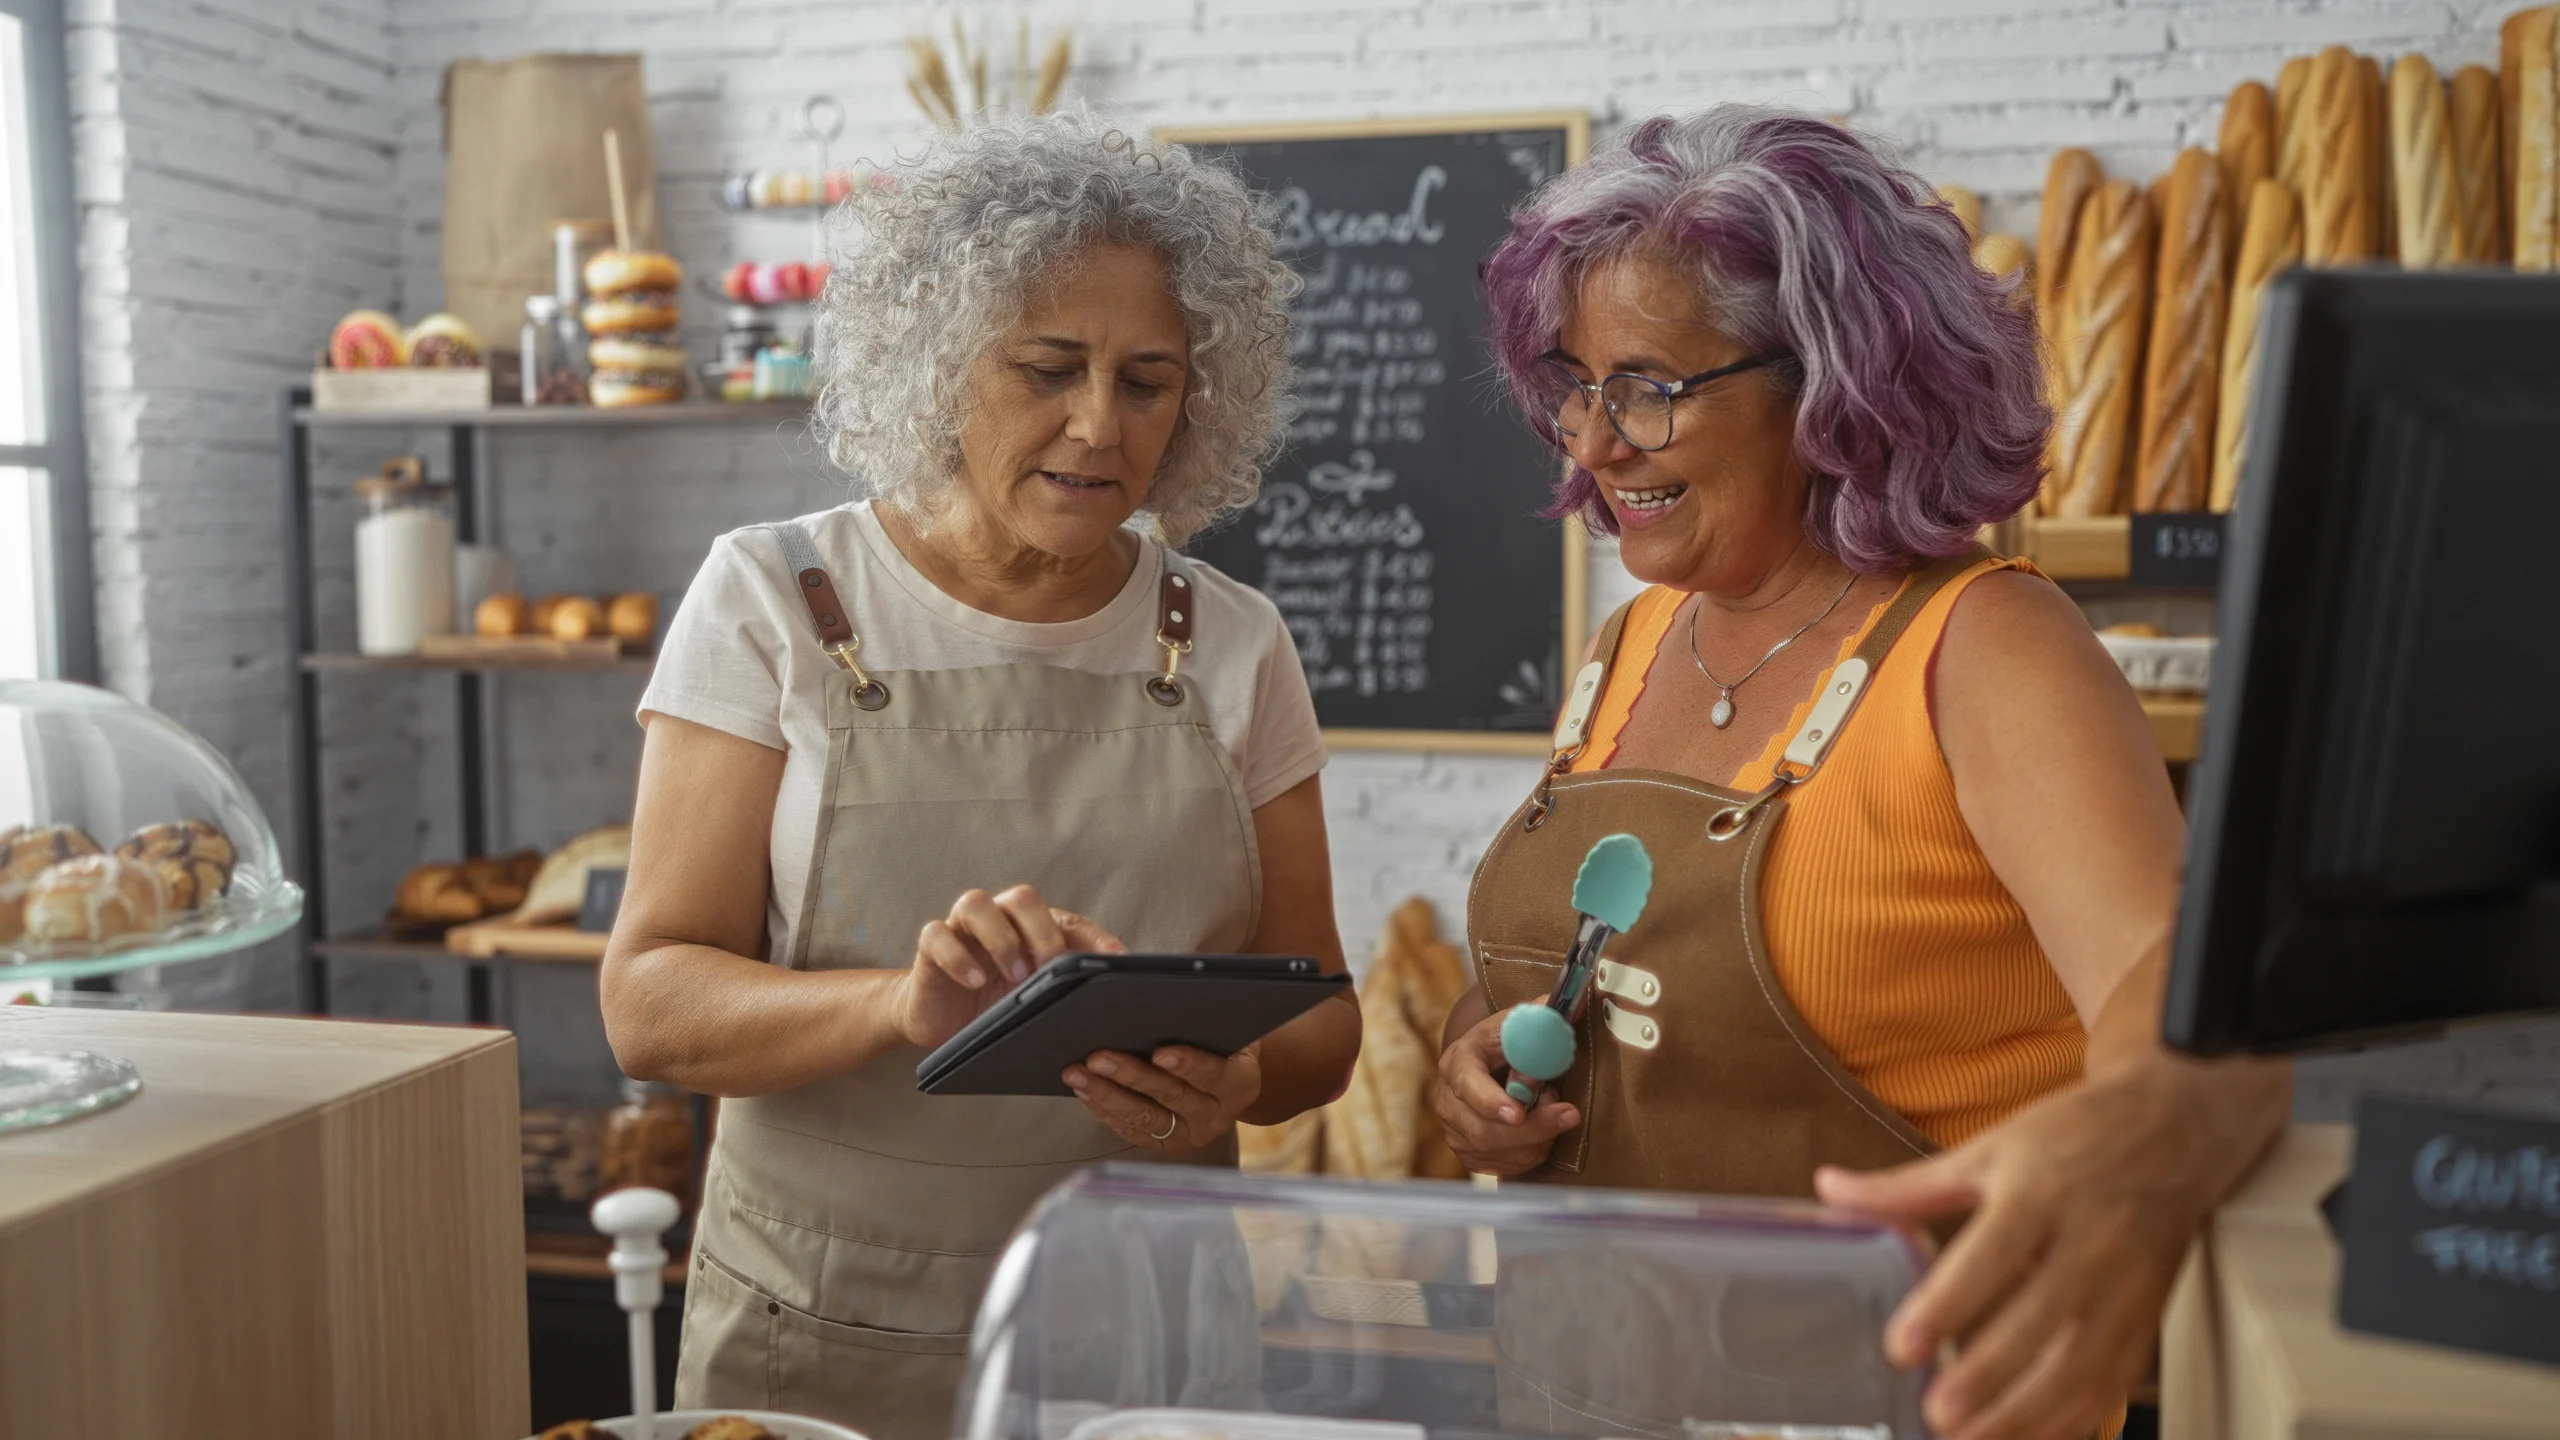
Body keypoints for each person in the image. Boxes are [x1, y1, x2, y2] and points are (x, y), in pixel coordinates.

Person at [1433, 109, 2290, 1440]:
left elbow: (2181, 997)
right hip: (1597, 1390)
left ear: (1835, 388)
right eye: (1574, 386)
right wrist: (1476, 1068)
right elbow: (1609, 987)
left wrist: (2136, 1147)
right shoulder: (1631, 646)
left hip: (1915, 1397)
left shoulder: (1988, 648)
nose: (1593, 445)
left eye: (1647, 387)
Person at [601, 110, 1361, 1438]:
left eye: (1147, 382)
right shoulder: (777, 598)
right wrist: (902, 1005)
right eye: (1048, 368)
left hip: (1151, 1343)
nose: (1098, 426)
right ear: (940, 358)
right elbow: (651, 1007)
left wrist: (1239, 1082)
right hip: (826, 1333)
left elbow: (1324, 1025)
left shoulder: (1232, 641)